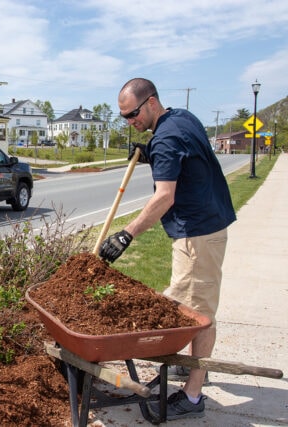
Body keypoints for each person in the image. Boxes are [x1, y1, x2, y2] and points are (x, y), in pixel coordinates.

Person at [99, 78, 236, 420]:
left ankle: (192, 395)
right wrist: (149, 155)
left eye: (133, 114)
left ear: (152, 103)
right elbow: (185, 158)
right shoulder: (182, 118)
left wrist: (125, 235)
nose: (130, 122)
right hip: (206, 225)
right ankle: (187, 366)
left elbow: (164, 196)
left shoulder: (167, 137)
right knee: (191, 306)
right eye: (124, 117)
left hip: (198, 236)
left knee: (195, 313)